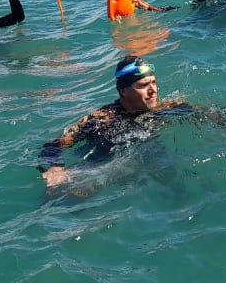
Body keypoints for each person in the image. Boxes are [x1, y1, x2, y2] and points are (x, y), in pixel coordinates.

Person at [37, 56, 197, 188]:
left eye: (154, 82)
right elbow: (53, 146)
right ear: (123, 91)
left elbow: (205, 113)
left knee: (180, 187)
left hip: (143, 160)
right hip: (98, 167)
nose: (153, 90)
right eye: (143, 85)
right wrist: (55, 166)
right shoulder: (103, 118)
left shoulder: (165, 108)